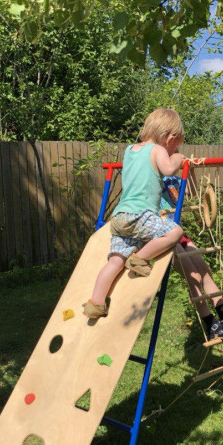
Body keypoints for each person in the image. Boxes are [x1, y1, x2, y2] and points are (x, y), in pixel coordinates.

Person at [83, 109, 186, 319]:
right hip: (140, 214)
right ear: (169, 138)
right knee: (175, 232)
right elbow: (168, 170)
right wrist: (178, 158)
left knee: (115, 261)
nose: (173, 150)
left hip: (119, 216)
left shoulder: (130, 150)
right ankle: (139, 259)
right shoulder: (158, 149)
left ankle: (96, 303)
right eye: (174, 146)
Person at [161, 174, 223, 340]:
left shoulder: (174, 179)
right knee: (193, 276)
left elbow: (191, 191)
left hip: (179, 233)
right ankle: (210, 324)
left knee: (204, 271)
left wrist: (191, 170)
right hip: (163, 235)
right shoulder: (154, 178)